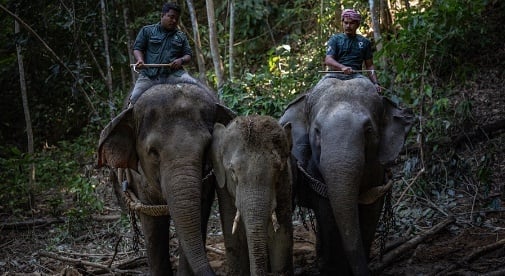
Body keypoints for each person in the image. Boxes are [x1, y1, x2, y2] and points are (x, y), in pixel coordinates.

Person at [128, 2, 197, 106]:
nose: (174, 21)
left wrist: (181, 60)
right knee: (134, 99)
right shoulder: (147, 31)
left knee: (197, 88)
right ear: (162, 15)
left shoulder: (181, 36)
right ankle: (124, 121)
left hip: (174, 75)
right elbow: (138, 48)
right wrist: (140, 60)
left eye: (176, 19)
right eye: (171, 17)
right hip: (149, 76)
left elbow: (188, 55)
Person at [324, 9, 381, 93]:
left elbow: (369, 66)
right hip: (334, 75)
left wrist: (375, 83)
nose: (348, 26)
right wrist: (342, 67)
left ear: (357, 25)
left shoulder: (365, 42)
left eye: (351, 23)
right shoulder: (335, 39)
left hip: (356, 76)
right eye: (346, 23)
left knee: (374, 94)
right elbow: (328, 60)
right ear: (342, 23)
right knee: (317, 91)